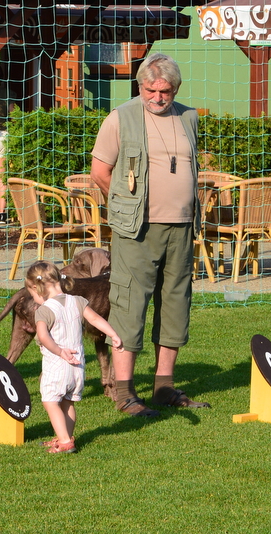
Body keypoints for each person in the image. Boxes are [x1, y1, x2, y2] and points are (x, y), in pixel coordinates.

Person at [89, 54, 210, 416]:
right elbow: (100, 172)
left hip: (182, 227)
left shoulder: (189, 117)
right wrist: (126, 207)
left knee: (175, 304)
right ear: (140, 86)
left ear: (176, 89)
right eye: (150, 90)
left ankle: (164, 387)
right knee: (129, 305)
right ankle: (125, 392)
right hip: (137, 230)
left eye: (165, 91)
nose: (157, 97)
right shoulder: (120, 117)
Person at [25, 260, 122, 453]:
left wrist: (59, 351)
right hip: (77, 366)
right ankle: (66, 437)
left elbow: (43, 336)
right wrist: (113, 334)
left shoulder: (45, 310)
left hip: (57, 364)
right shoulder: (77, 301)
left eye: (32, 294)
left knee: (50, 401)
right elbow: (95, 318)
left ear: (37, 288)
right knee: (67, 402)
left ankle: (64, 441)